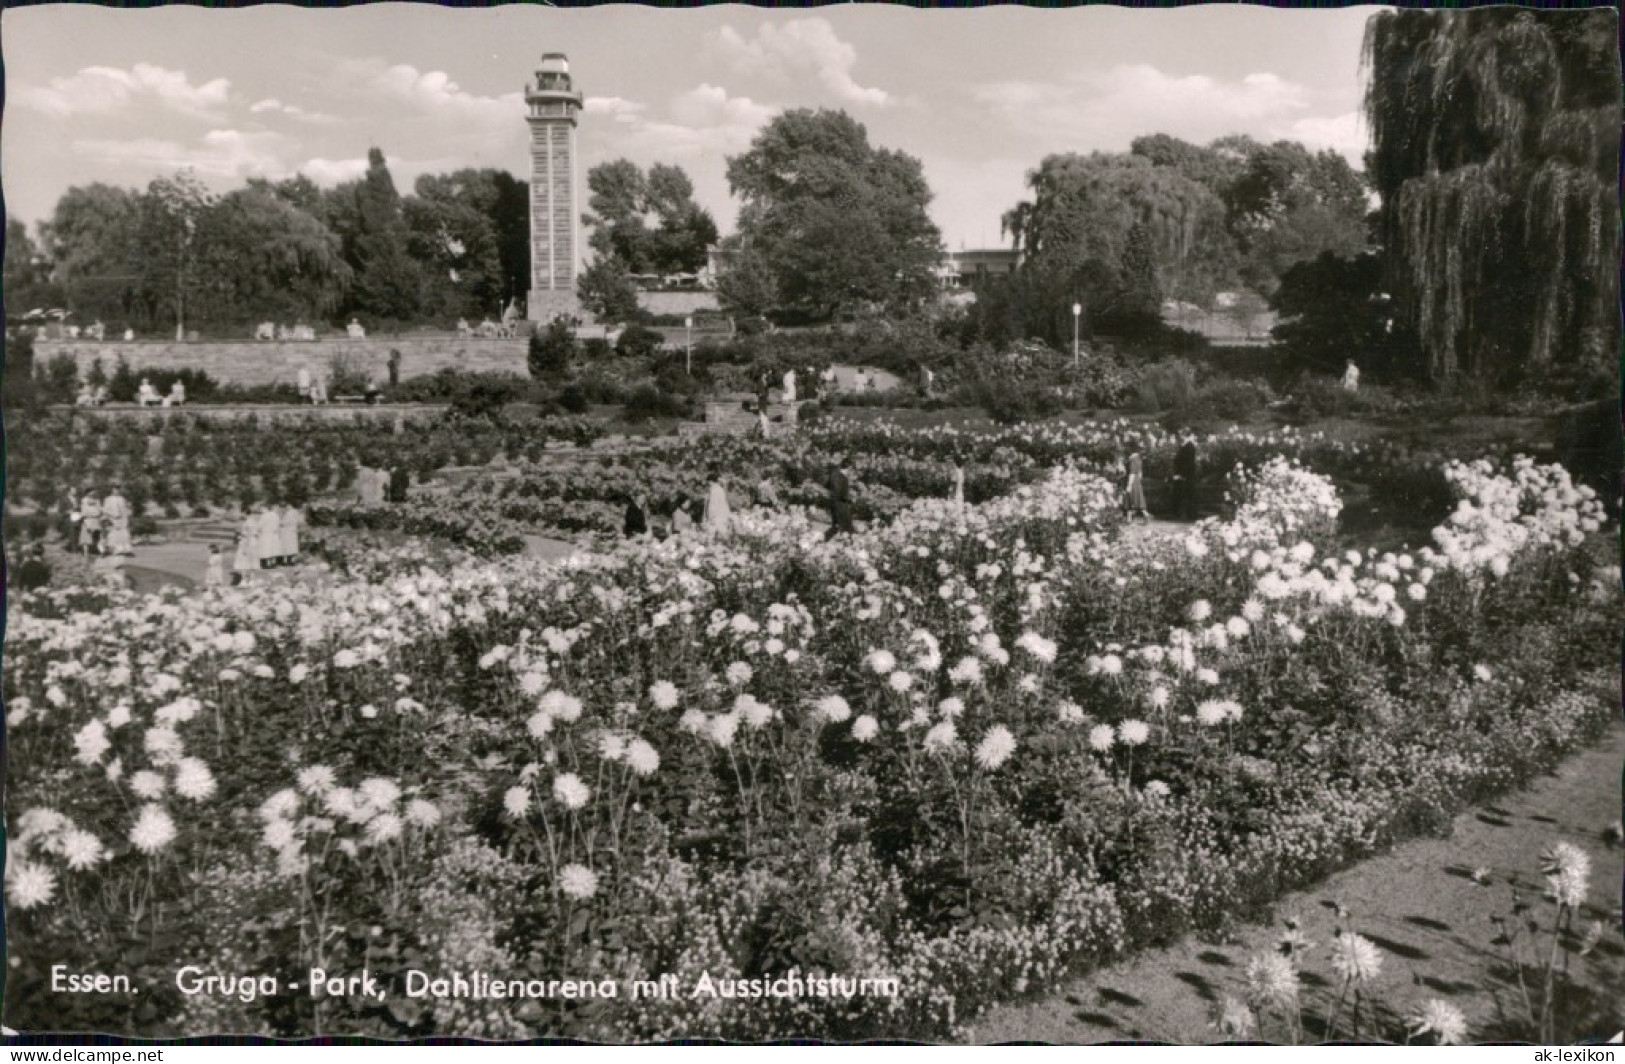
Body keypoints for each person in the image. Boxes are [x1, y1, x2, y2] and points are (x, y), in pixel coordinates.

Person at [825, 457, 855, 540]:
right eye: (851, 469)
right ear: (849, 468)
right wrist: (849, 498)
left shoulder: (834, 474)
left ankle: (825, 539)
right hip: (841, 505)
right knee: (846, 528)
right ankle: (826, 539)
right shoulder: (842, 477)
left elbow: (827, 486)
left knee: (837, 525)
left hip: (834, 503)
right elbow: (839, 493)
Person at [1173, 431, 1200, 521]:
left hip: (1187, 475)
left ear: (1186, 436)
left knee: (1187, 495)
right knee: (1184, 494)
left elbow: (1188, 463)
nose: (1180, 437)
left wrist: (1181, 475)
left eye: (1182, 435)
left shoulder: (1189, 447)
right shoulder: (1185, 446)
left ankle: (1188, 516)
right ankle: (1185, 514)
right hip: (1184, 475)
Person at [1121, 450, 1150, 523]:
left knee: (1131, 498)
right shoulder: (1139, 460)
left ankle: (1144, 515)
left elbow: (1132, 473)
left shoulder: (1133, 460)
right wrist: (1138, 481)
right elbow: (1140, 473)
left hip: (1132, 480)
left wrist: (1129, 485)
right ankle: (1129, 519)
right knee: (1136, 498)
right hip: (1137, 481)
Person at [102, 488, 133, 556]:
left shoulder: (122, 499)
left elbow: (124, 508)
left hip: (122, 519)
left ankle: (126, 550)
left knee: (124, 534)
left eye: (117, 490)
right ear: (112, 490)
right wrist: (112, 515)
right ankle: (111, 550)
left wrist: (127, 514)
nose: (116, 491)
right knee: (113, 535)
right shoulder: (108, 499)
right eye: (114, 489)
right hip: (113, 518)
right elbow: (105, 510)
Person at [78, 491, 104, 556]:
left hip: (95, 520)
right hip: (87, 520)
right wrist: (87, 516)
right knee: (85, 537)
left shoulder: (97, 502)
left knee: (97, 536)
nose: (91, 499)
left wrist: (97, 514)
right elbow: (83, 513)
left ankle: (98, 550)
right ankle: (86, 553)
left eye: (93, 496)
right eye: (90, 496)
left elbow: (99, 511)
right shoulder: (84, 501)